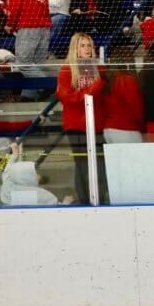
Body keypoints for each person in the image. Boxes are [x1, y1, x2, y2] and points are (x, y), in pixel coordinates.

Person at [56, 32, 105, 204]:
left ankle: (99, 197)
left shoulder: (98, 67)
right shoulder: (67, 68)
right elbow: (66, 97)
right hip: (76, 124)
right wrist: (91, 90)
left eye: (89, 45)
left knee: (98, 165)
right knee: (82, 163)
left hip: (97, 124)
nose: (86, 49)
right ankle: (85, 200)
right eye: (82, 45)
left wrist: (87, 92)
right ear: (75, 48)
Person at [5, 0, 52, 99]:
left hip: (29, 27)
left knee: (24, 64)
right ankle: (28, 97)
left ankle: (48, 84)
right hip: (45, 30)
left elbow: (15, 8)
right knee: (37, 65)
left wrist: (10, 25)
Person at [100, 38, 144, 144]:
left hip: (109, 129)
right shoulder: (126, 79)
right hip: (126, 128)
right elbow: (136, 107)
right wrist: (142, 126)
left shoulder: (109, 79)